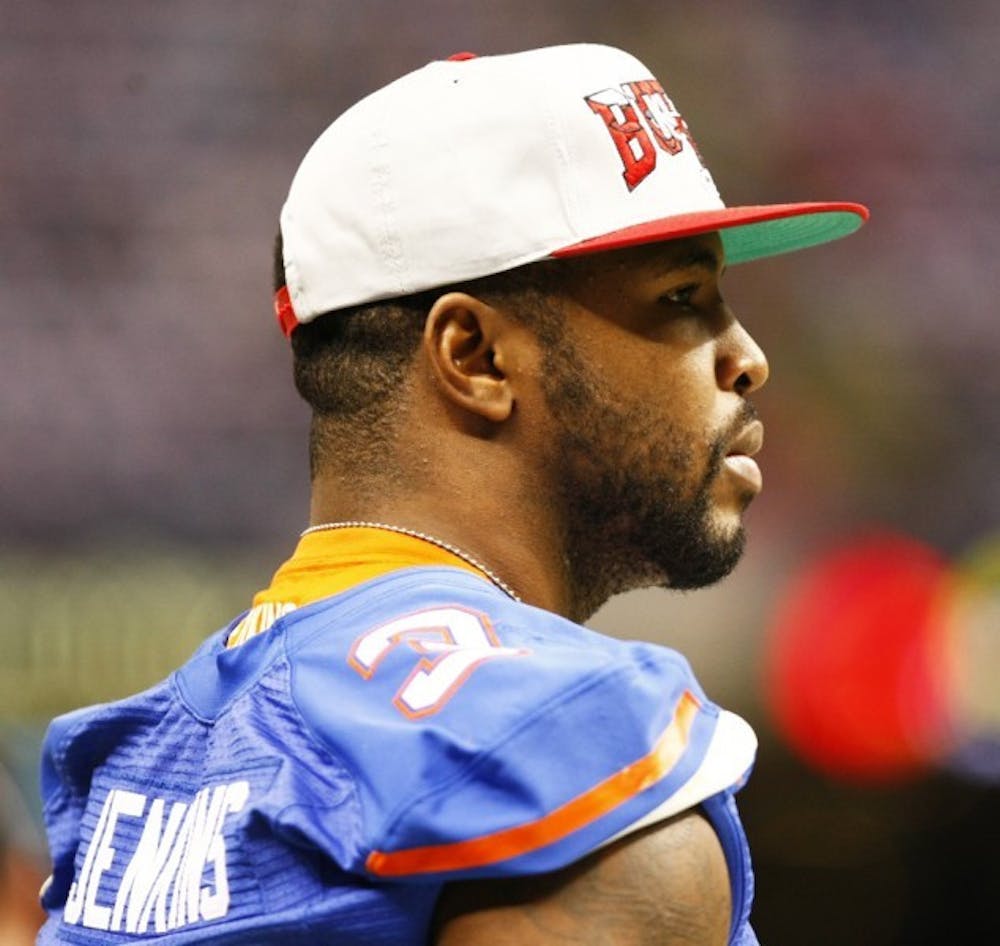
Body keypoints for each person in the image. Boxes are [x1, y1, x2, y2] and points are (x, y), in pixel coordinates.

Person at [36, 43, 867, 945]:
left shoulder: (137, 762)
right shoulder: (566, 739)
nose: (746, 356)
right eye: (679, 296)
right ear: (474, 356)